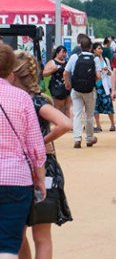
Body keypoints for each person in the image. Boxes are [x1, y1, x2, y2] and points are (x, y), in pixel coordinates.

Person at [12, 51, 72, 259]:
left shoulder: (24, 102)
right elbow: (64, 123)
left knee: (18, 233)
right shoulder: (38, 100)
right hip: (46, 168)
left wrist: (38, 142)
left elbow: (65, 123)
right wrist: (43, 141)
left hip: (23, 169)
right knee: (42, 235)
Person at [0, 44, 46, 259]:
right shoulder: (22, 98)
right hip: (16, 179)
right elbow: (35, 145)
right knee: (9, 242)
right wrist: (40, 179)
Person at [63, 37, 101, 149]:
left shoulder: (75, 57)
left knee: (77, 114)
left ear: (80, 46)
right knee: (89, 115)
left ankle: (77, 138)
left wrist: (68, 83)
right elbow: (98, 76)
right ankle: (89, 139)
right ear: (91, 47)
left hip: (76, 89)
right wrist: (92, 82)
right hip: (90, 90)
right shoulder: (95, 58)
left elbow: (66, 72)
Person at [42, 46, 72, 119]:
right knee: (59, 105)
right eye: (62, 52)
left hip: (66, 86)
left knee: (68, 105)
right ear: (57, 53)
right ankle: (59, 121)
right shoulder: (52, 62)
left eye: (65, 52)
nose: (64, 54)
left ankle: (68, 123)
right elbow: (44, 73)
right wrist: (53, 69)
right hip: (56, 86)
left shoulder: (66, 62)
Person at [92, 43, 116, 132]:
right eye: (98, 49)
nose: (100, 50)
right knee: (96, 105)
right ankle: (98, 125)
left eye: (101, 49)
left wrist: (107, 70)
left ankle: (113, 124)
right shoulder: (94, 60)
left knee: (108, 104)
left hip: (105, 85)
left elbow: (111, 72)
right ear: (94, 50)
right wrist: (101, 70)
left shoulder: (106, 60)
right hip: (97, 85)